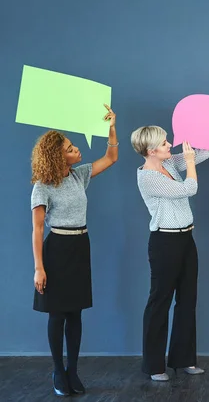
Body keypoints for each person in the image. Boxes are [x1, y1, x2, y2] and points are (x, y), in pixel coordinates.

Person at [131, 121, 209, 382]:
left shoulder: (168, 163)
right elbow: (189, 188)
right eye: (163, 143)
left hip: (185, 239)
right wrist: (191, 162)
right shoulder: (147, 178)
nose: (169, 144)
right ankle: (154, 365)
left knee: (187, 299)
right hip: (164, 243)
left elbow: (205, 152)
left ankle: (184, 360)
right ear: (150, 151)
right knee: (159, 302)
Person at [31, 104, 118, 396]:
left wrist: (111, 127)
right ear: (58, 156)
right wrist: (39, 267)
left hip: (81, 246)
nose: (77, 149)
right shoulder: (43, 186)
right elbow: (38, 230)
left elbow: (111, 157)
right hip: (57, 249)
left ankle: (73, 371)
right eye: (70, 148)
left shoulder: (79, 175)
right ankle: (58, 371)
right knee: (57, 315)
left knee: (76, 314)